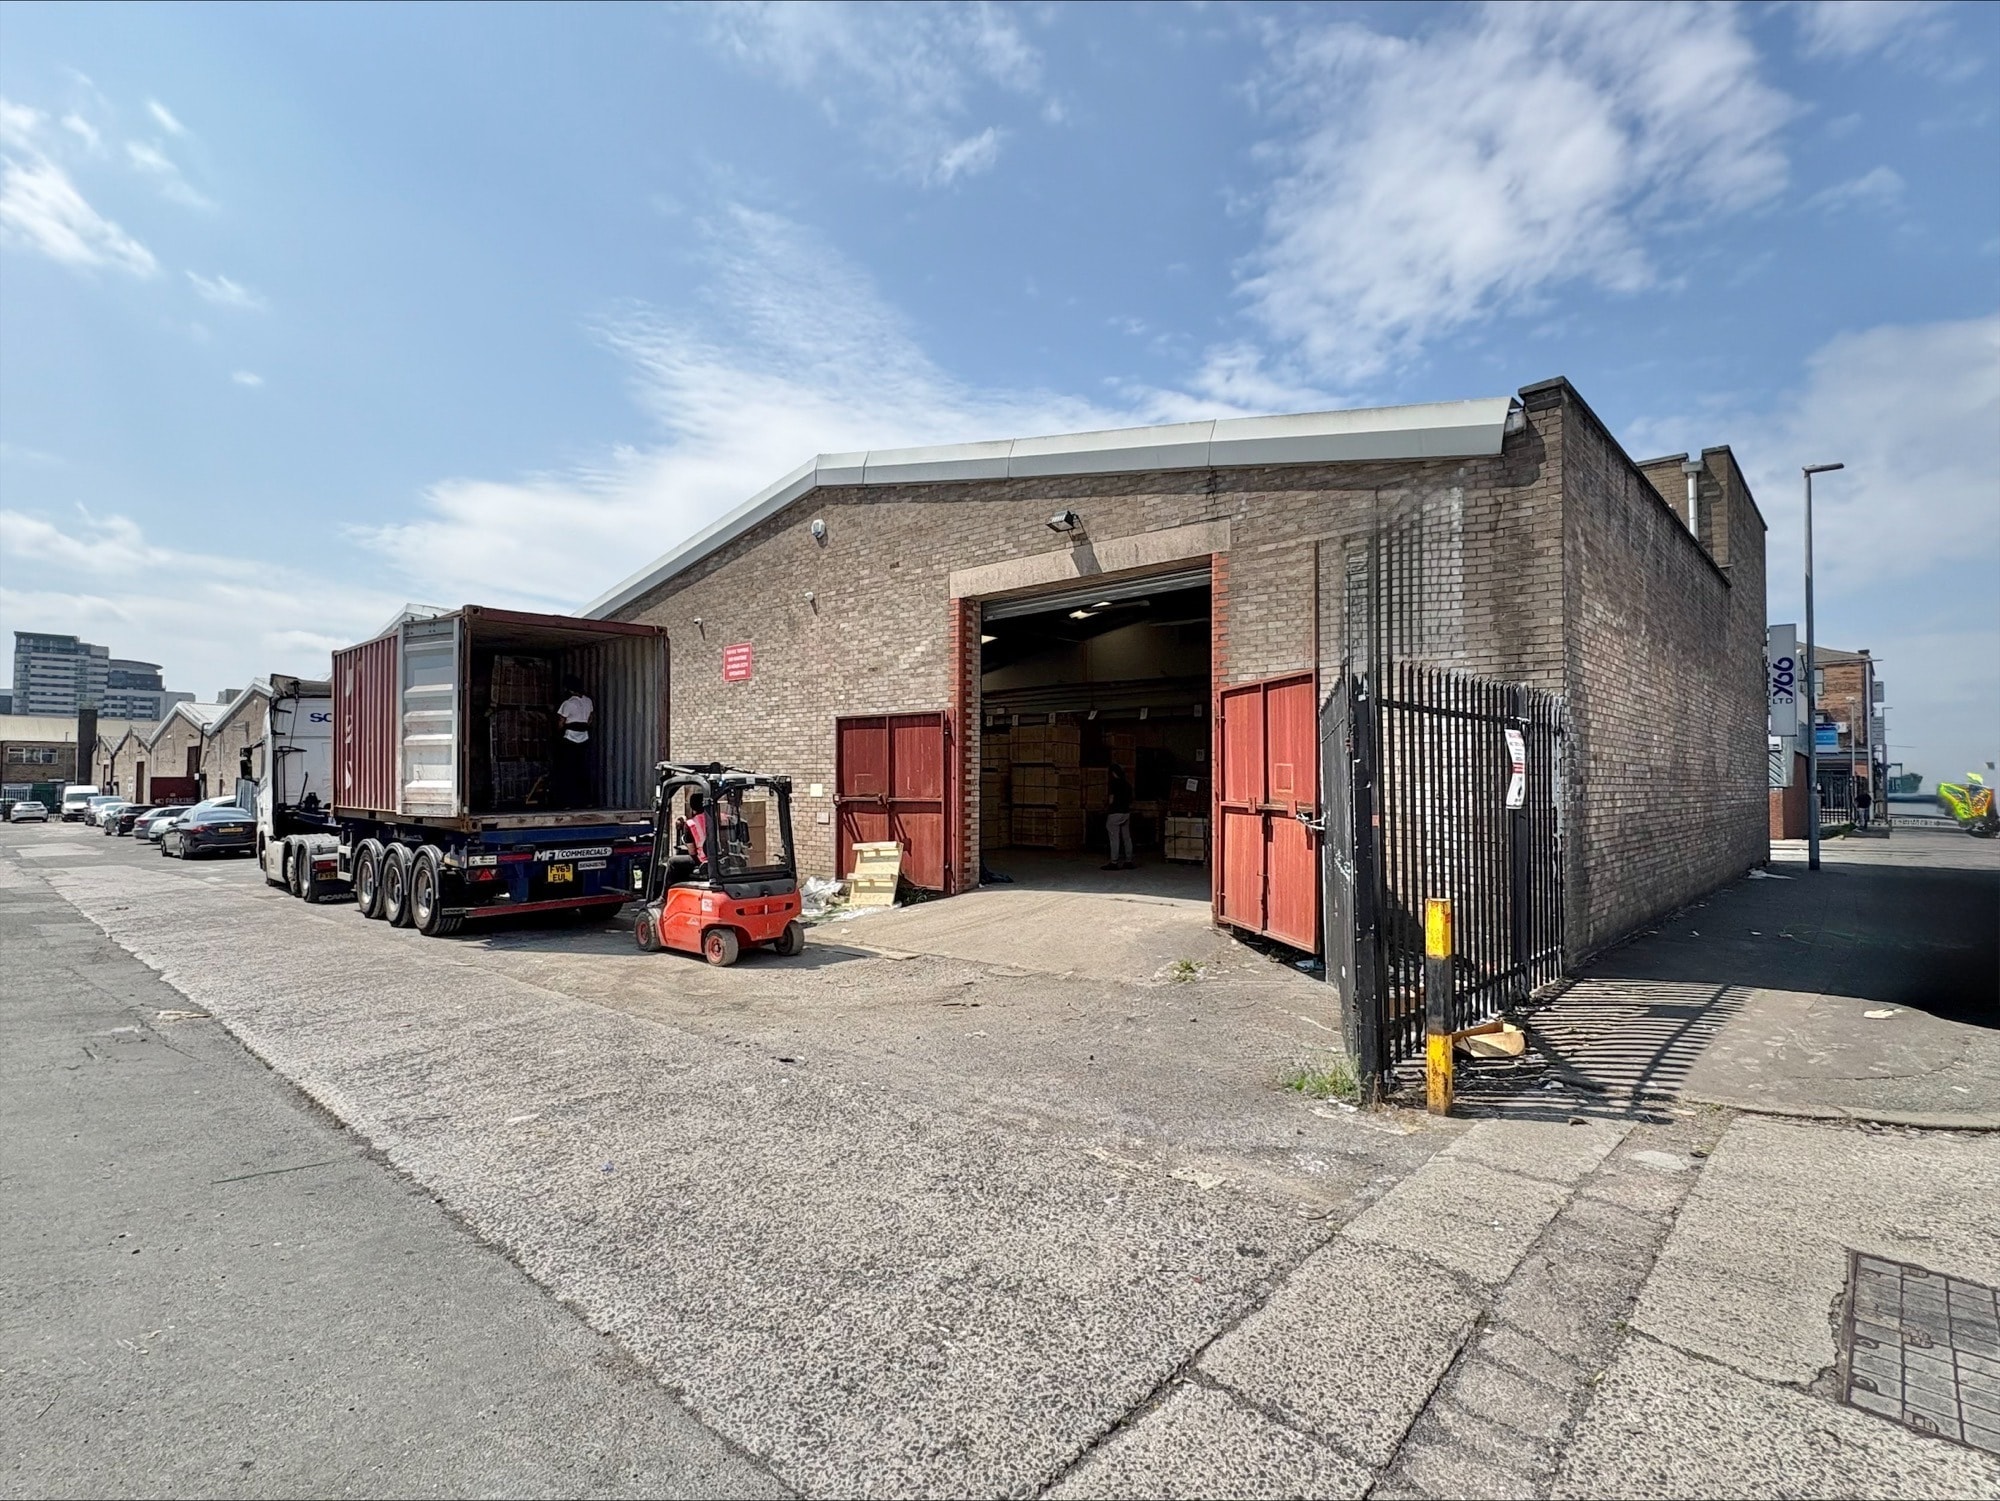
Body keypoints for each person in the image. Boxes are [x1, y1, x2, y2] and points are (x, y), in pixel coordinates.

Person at [554, 676, 594, 808]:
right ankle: (586, 800)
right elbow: (590, 719)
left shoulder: (568, 703)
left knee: (568, 770)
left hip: (570, 738)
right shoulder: (588, 701)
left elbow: (561, 722)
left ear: (569, 689)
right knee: (582, 769)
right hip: (584, 737)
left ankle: (568, 802)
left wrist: (557, 733)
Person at [1103, 763, 1134, 871]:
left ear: (1112, 773)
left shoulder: (1114, 783)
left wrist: (1106, 806)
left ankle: (1114, 862)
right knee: (1127, 837)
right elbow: (1130, 800)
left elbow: (1111, 800)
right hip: (1126, 813)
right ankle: (1129, 861)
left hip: (1115, 812)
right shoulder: (1127, 784)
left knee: (1114, 838)